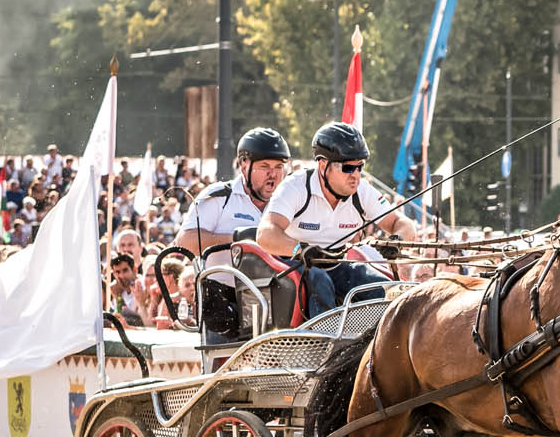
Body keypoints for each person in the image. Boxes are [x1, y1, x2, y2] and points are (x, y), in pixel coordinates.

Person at [257, 121, 420, 315]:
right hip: (294, 265)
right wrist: (299, 249)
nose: (356, 176)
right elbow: (265, 233)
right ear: (323, 165)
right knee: (319, 280)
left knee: (385, 291)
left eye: (360, 167)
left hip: (338, 264)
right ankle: (325, 343)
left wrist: (398, 240)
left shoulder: (362, 191)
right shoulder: (296, 187)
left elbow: (402, 223)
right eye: (348, 168)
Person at [177, 127, 293, 255]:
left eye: (278, 167)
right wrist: (238, 238)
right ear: (244, 167)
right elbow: (184, 243)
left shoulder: (291, 202)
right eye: (264, 166)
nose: (273, 174)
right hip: (221, 275)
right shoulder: (220, 196)